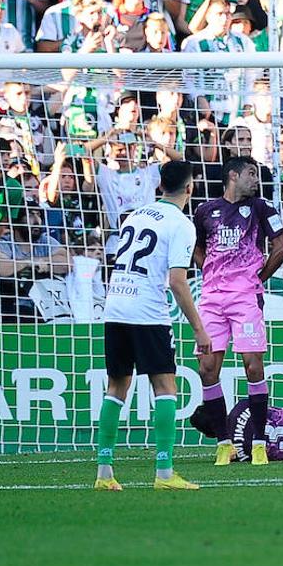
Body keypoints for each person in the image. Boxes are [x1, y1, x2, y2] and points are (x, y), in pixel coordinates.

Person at [93, 160, 210, 492]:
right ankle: (163, 473)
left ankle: (104, 473)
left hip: (116, 305)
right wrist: (199, 328)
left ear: (160, 186)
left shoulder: (138, 214)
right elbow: (177, 281)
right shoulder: (181, 224)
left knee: (116, 387)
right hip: (146, 310)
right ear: (190, 188)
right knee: (165, 388)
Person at [192, 155, 283, 467]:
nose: (256, 180)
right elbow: (196, 247)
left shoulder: (261, 207)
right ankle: (224, 444)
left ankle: (259, 443)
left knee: (253, 367)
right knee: (207, 368)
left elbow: (282, 246)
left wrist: (257, 279)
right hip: (211, 299)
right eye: (251, 173)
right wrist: (210, 272)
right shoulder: (205, 211)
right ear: (233, 176)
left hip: (246, 298)